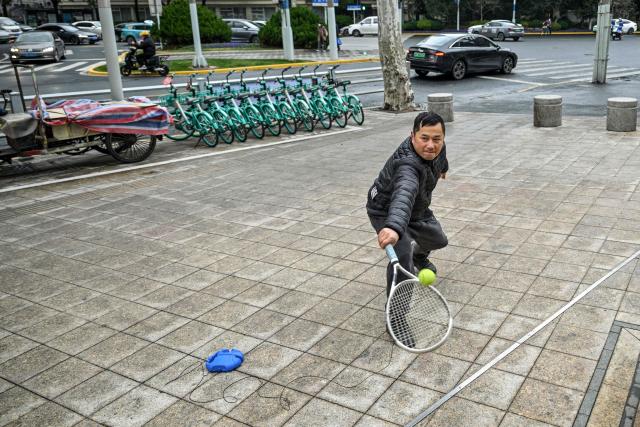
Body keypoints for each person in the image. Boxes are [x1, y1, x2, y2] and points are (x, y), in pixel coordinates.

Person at [366, 112, 449, 344]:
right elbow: (403, 194)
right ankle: (396, 320)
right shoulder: (407, 166)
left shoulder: (437, 147)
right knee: (402, 263)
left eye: (437, 139)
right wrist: (392, 228)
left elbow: (441, 155)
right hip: (387, 212)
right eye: (424, 138)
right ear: (412, 136)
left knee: (438, 239)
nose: (431, 145)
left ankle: (420, 256)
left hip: (417, 209)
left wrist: (443, 168)